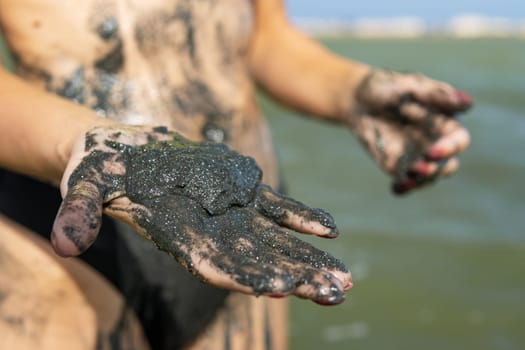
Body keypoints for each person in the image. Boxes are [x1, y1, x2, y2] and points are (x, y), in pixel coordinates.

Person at [0, 0, 472, 349]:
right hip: (75, 201)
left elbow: (265, 38)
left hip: (238, 218)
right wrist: (90, 138)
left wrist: (352, 90)